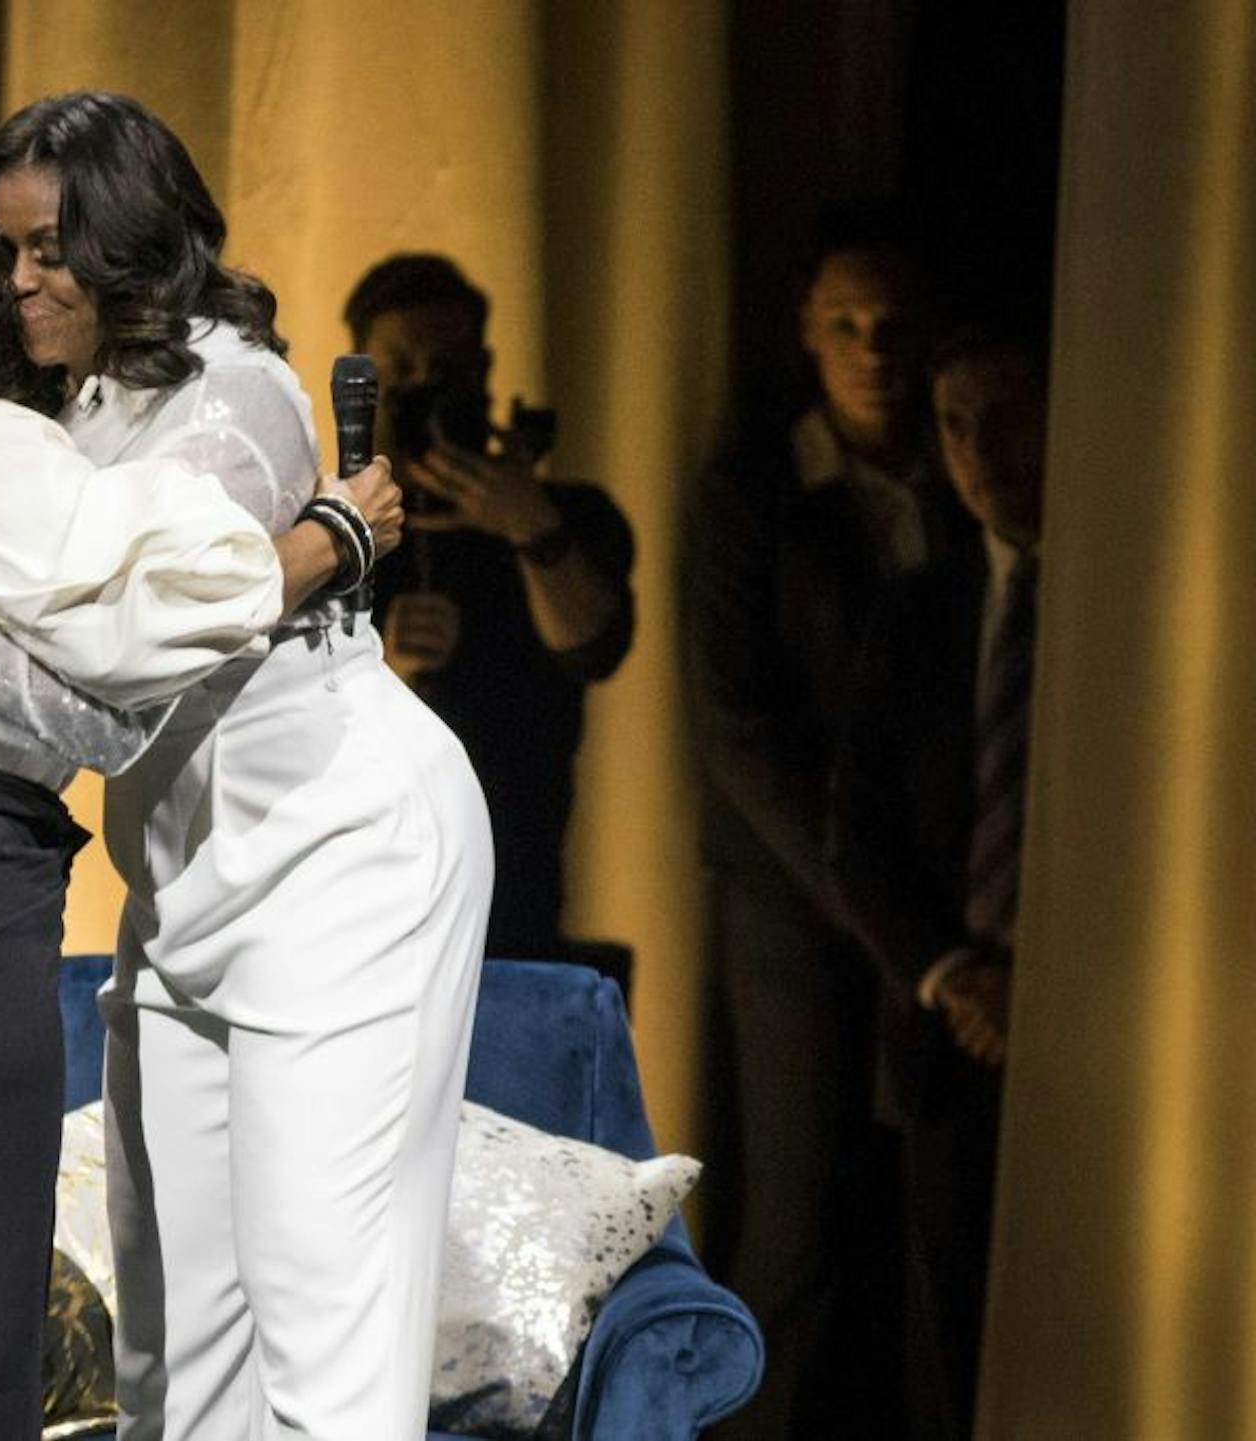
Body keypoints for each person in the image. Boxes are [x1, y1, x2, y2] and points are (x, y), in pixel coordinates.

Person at [0, 92, 493, 1439]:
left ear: (128, 242)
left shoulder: (240, 395)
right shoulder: (62, 403)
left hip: (339, 856)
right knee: (172, 1351)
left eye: (47, 251)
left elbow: (101, 699)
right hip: (180, 884)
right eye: (4, 254)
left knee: (324, 1336)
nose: (19, 283)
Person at [685, 221, 969, 1439]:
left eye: (895, 327)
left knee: (941, 1210)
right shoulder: (757, 484)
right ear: (806, 333)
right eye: (847, 326)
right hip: (795, 901)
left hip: (952, 898)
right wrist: (874, 912)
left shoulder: (970, 472)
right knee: (796, 1210)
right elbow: (737, 728)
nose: (875, 353)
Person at [831, 323, 1047, 1439]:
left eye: (1006, 416)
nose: (978, 449)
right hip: (946, 1036)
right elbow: (855, 833)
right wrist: (955, 975)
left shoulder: (1133, 602)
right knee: (953, 1363)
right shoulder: (921, 606)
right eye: (955, 424)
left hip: (1098, 1033)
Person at [347, 254, 635, 961]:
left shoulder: (568, 517)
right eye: (402, 369)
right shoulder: (330, 537)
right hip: (357, 908)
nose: (423, 389)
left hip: (513, 901)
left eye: (446, 369)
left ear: (484, 368)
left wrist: (529, 527)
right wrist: (388, 670)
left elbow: (592, 645)